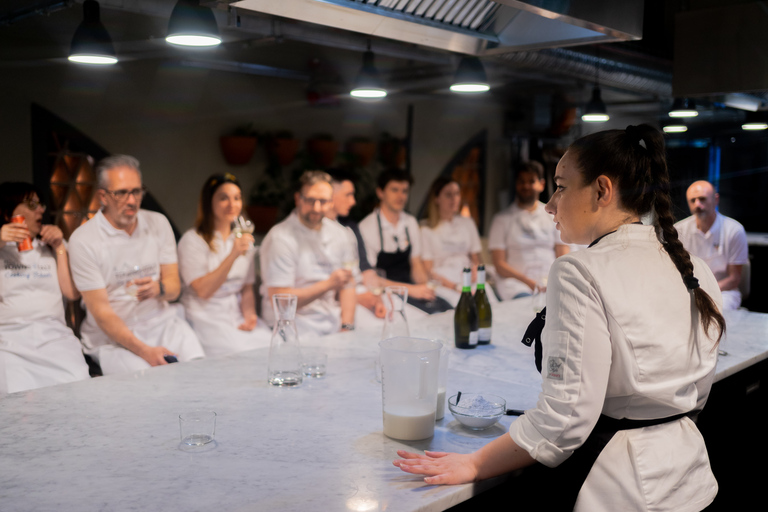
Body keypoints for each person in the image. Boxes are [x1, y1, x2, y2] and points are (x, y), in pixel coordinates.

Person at [394, 125, 724, 512]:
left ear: (602, 190)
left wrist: (475, 462)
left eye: (561, 187)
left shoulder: (578, 270)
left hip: (622, 489)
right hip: (693, 477)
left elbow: (564, 419)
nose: (550, 204)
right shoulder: (694, 267)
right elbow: (699, 389)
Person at [68, 155, 205, 375]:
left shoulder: (157, 223)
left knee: (198, 369)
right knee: (146, 382)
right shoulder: (84, 240)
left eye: (136, 191)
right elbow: (102, 312)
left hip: (161, 322)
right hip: (113, 336)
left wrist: (158, 288)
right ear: (103, 196)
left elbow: (174, 288)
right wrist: (146, 351)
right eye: (122, 193)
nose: (132, 201)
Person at [0, 182, 90, 395]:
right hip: (10, 341)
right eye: (32, 205)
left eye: (41, 205)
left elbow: (72, 293)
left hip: (55, 336)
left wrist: (60, 247)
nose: (41, 210)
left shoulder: (50, 248)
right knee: (16, 396)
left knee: (77, 389)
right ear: (7, 212)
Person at [177, 173, 271, 358]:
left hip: (235, 316)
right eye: (223, 198)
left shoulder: (242, 239)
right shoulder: (192, 240)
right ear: (208, 202)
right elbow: (203, 290)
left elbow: (246, 287)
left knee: (273, 345)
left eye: (236, 198)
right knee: (241, 354)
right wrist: (233, 255)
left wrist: (250, 315)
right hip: (204, 317)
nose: (232, 204)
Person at [259, 170, 356, 336]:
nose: (316, 208)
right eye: (311, 200)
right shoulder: (280, 238)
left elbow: (348, 284)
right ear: (298, 199)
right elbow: (282, 301)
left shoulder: (340, 234)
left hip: (332, 321)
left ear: (331, 202)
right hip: (291, 325)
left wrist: (346, 326)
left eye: (323, 201)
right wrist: (329, 284)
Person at [359, 168, 451, 314]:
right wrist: (412, 290)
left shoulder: (410, 222)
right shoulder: (367, 227)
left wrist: (425, 287)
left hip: (411, 287)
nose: (400, 196)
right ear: (380, 192)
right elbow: (371, 278)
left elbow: (416, 264)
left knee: (446, 309)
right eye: (394, 190)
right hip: (386, 292)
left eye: (404, 191)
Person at [488, 161, 569, 300]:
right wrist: (530, 283)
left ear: (541, 185)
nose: (526, 186)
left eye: (531, 181)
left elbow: (562, 253)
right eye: (521, 181)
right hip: (517, 285)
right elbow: (499, 264)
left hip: (550, 281)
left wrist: (555, 280)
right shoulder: (501, 220)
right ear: (516, 184)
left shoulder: (552, 215)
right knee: (528, 309)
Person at [675, 180, 748, 310]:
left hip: (724, 291)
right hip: (689, 289)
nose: (697, 204)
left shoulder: (734, 230)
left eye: (702, 199)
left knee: (717, 309)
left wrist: (705, 292)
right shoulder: (679, 230)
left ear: (716, 199)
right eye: (693, 200)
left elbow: (734, 279)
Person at [326, 169, 386, 321]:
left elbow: (365, 269)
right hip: (338, 301)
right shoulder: (318, 232)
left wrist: (375, 296)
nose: (353, 202)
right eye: (348, 195)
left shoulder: (350, 227)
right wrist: (360, 297)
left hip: (361, 291)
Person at [420, 176, 485, 304]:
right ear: (436, 198)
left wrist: (476, 272)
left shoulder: (467, 223)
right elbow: (428, 270)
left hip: (468, 278)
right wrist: (455, 287)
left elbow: (476, 258)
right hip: (444, 283)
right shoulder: (426, 229)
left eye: (456, 194)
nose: (454, 199)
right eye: (448, 195)